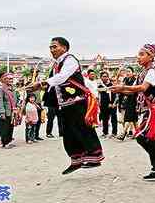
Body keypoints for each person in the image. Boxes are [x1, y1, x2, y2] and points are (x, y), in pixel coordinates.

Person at [31, 37, 104, 174]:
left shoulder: (70, 60)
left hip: (77, 102)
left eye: (55, 47)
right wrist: (39, 88)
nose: (52, 50)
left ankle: (95, 157)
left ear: (64, 48)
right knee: (68, 133)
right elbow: (55, 84)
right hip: (64, 104)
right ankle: (76, 160)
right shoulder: (55, 65)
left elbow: (62, 77)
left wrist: (41, 84)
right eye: (50, 47)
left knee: (82, 129)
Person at [111, 44, 155, 181]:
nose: (139, 57)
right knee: (152, 139)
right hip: (147, 109)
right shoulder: (143, 72)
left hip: (153, 109)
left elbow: (143, 87)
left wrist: (122, 87)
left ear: (151, 56)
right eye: (139, 54)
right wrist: (118, 90)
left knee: (141, 136)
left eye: (142, 54)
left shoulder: (152, 72)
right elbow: (134, 90)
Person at [0, 72, 17, 149]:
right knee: (4, 127)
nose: (11, 80)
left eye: (12, 79)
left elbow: (15, 100)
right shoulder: (1, 89)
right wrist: (2, 112)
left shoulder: (13, 89)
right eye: (9, 79)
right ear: (4, 80)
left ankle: (9, 141)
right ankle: (5, 143)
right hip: (5, 112)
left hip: (12, 111)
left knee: (11, 127)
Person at [116, 67, 138, 140]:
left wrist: (122, 89)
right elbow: (121, 86)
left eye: (129, 71)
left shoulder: (135, 80)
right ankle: (138, 133)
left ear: (133, 72)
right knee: (134, 119)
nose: (127, 73)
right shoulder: (125, 79)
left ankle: (123, 134)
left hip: (134, 101)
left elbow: (132, 90)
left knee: (128, 117)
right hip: (127, 100)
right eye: (127, 71)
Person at [98, 72, 117, 138]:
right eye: (103, 76)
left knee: (113, 119)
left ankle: (114, 133)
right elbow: (99, 94)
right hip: (103, 105)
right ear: (101, 77)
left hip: (112, 105)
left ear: (108, 77)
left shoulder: (111, 85)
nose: (105, 78)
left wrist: (113, 103)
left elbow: (115, 95)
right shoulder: (100, 86)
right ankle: (105, 133)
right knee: (105, 119)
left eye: (106, 76)